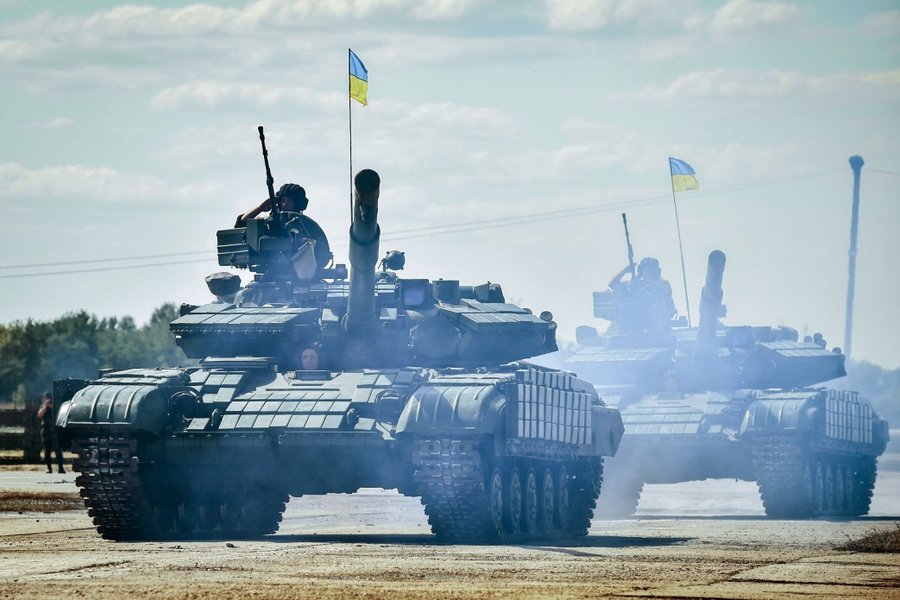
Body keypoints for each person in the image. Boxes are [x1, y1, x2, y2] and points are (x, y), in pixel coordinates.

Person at [235, 183, 332, 279]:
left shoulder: (304, 225)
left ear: (296, 204)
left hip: (301, 274)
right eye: (283, 200)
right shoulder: (271, 222)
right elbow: (242, 223)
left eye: (289, 201)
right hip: (273, 274)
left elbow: (321, 252)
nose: (285, 204)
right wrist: (261, 208)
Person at [608, 257, 676, 335]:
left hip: (657, 318)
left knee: (659, 305)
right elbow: (612, 284)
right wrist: (625, 271)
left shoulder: (662, 283)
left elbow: (666, 294)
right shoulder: (636, 284)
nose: (647, 273)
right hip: (639, 319)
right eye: (645, 270)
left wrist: (649, 285)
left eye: (650, 270)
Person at [37, 392, 64, 474]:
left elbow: (59, 413)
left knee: (58, 450)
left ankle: (61, 468)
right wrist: (46, 406)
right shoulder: (43, 406)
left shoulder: (56, 406)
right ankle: (49, 468)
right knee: (47, 451)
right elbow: (40, 415)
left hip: (55, 431)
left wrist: (51, 406)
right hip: (46, 431)